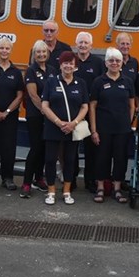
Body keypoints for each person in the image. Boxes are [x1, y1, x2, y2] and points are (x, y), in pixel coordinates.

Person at [40, 51, 89, 205]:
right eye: (65, 63)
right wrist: (58, 122)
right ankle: (51, 191)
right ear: (60, 65)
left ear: (75, 66)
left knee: (69, 160)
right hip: (53, 127)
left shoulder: (81, 83)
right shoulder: (51, 82)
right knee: (49, 159)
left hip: (72, 128)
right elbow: (44, 105)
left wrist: (73, 123)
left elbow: (85, 106)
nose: (68, 66)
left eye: (71, 63)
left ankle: (67, 191)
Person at [89, 48, 136, 203]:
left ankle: (117, 189)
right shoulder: (98, 82)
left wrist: (127, 123)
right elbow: (92, 106)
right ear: (106, 63)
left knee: (120, 158)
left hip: (122, 129)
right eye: (111, 60)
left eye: (117, 60)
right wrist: (94, 130)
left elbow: (132, 106)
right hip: (103, 128)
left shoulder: (127, 82)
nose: (114, 63)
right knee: (102, 158)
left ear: (122, 62)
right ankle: (101, 188)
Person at [0, 37, 24, 192]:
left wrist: (6, 112)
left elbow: (19, 95)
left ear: (11, 50)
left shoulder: (16, 72)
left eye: (7, 48)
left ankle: (8, 178)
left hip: (10, 117)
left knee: (9, 148)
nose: (4, 51)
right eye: (2, 48)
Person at [20, 40, 56, 198]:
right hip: (36, 114)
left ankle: (39, 178)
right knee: (35, 148)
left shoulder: (52, 70)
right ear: (34, 55)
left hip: (49, 116)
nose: (41, 55)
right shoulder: (31, 71)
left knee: (44, 147)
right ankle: (26, 182)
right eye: (38, 52)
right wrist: (44, 110)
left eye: (44, 52)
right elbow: (33, 95)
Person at [72, 31, 105, 194]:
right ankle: (70, 179)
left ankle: (90, 180)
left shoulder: (98, 63)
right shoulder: (71, 61)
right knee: (72, 148)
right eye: (80, 42)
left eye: (86, 43)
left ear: (91, 45)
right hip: (73, 112)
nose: (83, 45)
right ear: (76, 44)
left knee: (92, 149)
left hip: (92, 112)